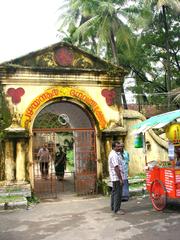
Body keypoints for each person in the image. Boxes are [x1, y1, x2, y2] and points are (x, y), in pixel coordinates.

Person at [108, 141, 125, 215]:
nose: (119, 148)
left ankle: (113, 207)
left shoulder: (114, 154)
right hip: (116, 177)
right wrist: (120, 179)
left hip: (114, 177)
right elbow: (116, 168)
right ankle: (117, 209)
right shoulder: (114, 155)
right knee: (118, 193)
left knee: (114, 192)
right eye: (117, 146)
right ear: (114, 147)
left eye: (120, 146)